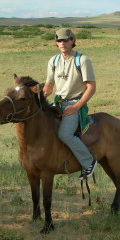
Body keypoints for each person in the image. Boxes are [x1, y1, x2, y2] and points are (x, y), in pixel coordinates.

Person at [43, 28, 97, 180]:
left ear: (72, 41)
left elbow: (91, 87)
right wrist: (43, 94)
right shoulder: (53, 61)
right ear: (56, 43)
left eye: (65, 40)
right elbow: (49, 85)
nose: (62, 43)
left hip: (75, 104)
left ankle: (89, 162)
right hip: (58, 103)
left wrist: (76, 107)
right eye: (59, 40)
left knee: (65, 134)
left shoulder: (82, 60)